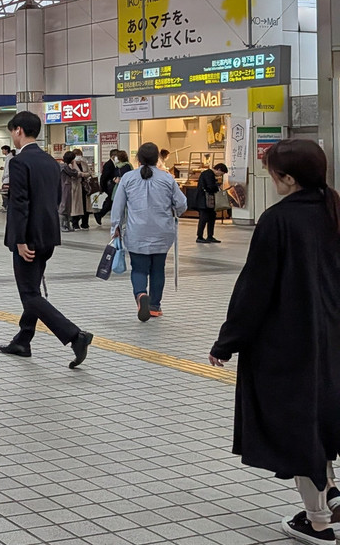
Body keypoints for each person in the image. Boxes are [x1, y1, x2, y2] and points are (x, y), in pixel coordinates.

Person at [208, 139, 340, 544]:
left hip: (289, 344)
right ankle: (331, 495)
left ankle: (318, 523)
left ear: (287, 177)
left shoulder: (278, 220)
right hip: (333, 339)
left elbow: (255, 290)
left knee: (296, 425)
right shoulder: (335, 209)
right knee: (323, 421)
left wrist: (226, 342)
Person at [0, 111, 93, 368]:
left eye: (12, 133)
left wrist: (19, 240)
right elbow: (54, 200)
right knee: (33, 289)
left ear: (18, 130)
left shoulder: (19, 162)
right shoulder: (52, 162)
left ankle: (75, 336)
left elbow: (19, 204)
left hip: (27, 238)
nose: (13, 138)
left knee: (29, 294)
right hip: (48, 236)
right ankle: (23, 339)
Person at [109, 143, 187, 321]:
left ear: (138, 159)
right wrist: (174, 211)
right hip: (162, 231)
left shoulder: (128, 178)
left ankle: (141, 295)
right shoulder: (167, 179)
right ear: (157, 158)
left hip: (137, 232)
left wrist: (116, 228)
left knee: (139, 269)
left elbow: (118, 206)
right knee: (158, 269)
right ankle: (154, 306)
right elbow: (182, 204)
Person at [195, 162, 228, 244]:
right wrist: (217, 187)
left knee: (211, 217)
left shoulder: (207, 173)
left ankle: (209, 236)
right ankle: (200, 236)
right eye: (221, 173)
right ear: (218, 169)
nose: (220, 175)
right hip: (205, 200)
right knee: (204, 218)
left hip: (206, 201)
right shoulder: (209, 174)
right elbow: (210, 187)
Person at [58, 151, 83, 232]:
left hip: (65, 186)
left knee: (67, 206)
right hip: (65, 187)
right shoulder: (64, 167)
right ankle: (62, 225)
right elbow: (75, 173)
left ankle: (67, 225)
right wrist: (74, 164)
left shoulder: (61, 165)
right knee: (64, 206)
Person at [95, 149, 120, 224]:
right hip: (109, 186)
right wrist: (102, 187)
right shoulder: (108, 164)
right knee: (110, 201)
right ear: (113, 156)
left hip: (112, 186)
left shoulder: (114, 164)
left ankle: (99, 214)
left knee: (110, 201)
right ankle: (99, 214)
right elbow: (104, 177)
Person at [73, 149, 94, 229]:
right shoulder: (71, 165)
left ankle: (85, 223)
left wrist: (84, 174)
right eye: (77, 155)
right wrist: (83, 174)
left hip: (85, 187)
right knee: (76, 206)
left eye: (79, 155)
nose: (79, 157)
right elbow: (74, 174)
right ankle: (75, 223)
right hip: (76, 187)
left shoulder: (84, 163)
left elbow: (89, 173)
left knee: (86, 206)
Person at [0, 145, 14, 212]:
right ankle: (6, 206)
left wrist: (4, 177)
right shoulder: (9, 157)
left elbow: (8, 170)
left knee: (5, 193)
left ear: (6, 150)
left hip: (7, 178)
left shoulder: (9, 158)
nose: (2, 151)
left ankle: (6, 206)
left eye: (3, 150)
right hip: (8, 178)